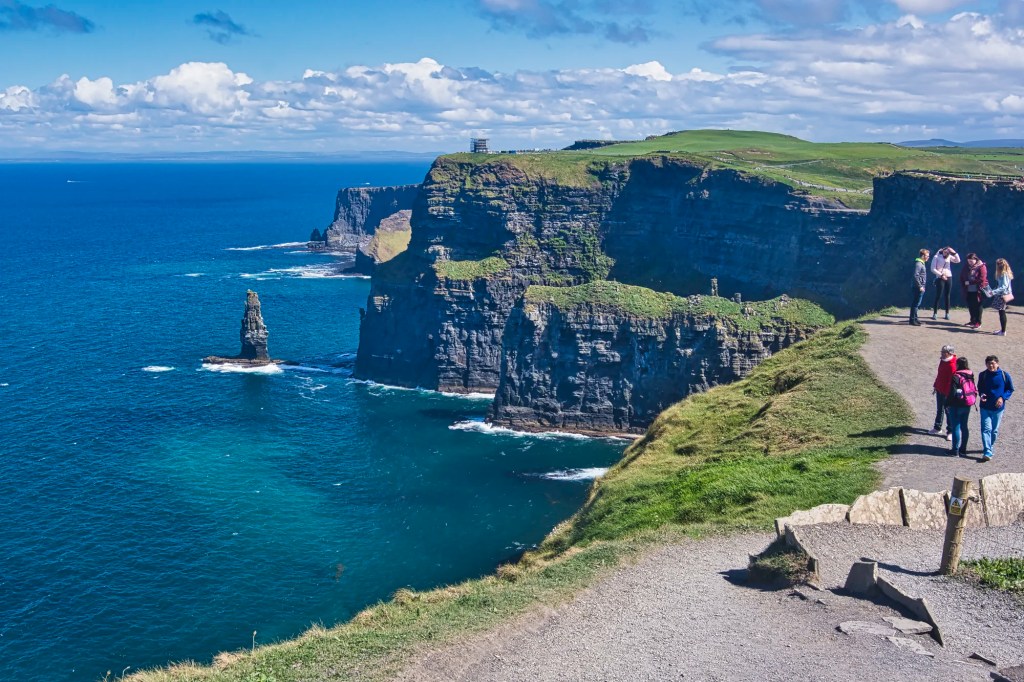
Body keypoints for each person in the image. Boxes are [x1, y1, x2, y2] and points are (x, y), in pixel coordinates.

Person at [978, 355, 1014, 461]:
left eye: (993, 363)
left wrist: (1002, 398)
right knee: (986, 429)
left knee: (994, 431)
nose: (991, 365)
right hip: (985, 407)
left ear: (997, 363)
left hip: (998, 408)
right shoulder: (983, 375)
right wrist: (982, 395)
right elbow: (980, 388)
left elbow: (1010, 389)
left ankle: (990, 445)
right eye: (988, 363)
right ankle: (987, 451)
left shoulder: (1004, 375)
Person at [946, 357, 975, 457]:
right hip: (967, 404)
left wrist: (947, 403)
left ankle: (955, 450)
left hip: (956, 405)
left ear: (958, 365)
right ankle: (963, 449)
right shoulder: (970, 374)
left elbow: (952, 392)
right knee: (964, 427)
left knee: (956, 427)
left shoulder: (956, 376)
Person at [931, 344, 957, 439]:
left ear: (949, 353)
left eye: (943, 352)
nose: (942, 354)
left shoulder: (953, 365)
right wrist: (936, 385)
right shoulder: (942, 360)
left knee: (948, 411)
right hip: (940, 389)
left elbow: (952, 382)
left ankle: (950, 431)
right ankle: (937, 427)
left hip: (947, 392)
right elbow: (939, 374)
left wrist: (948, 393)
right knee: (939, 409)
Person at [986, 258, 1014, 336]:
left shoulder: (1004, 274)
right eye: (998, 264)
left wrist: (993, 292)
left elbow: (1004, 286)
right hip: (1001, 294)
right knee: (1001, 312)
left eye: (1000, 264)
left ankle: (1003, 331)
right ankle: (1002, 330)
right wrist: (993, 291)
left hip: (1002, 295)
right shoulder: (1004, 273)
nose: (999, 265)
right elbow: (999, 286)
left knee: (1002, 312)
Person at [930, 246, 960, 320]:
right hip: (940, 277)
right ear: (942, 251)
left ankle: (947, 313)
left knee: (947, 295)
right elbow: (932, 269)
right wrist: (941, 275)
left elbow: (958, 260)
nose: (946, 253)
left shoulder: (949, 256)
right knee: (938, 295)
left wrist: (954, 252)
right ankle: (935, 313)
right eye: (945, 252)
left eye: (948, 252)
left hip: (949, 276)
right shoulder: (936, 257)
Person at [959, 253, 988, 328]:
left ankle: (978, 322)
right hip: (968, 290)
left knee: (978, 306)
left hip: (978, 290)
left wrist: (970, 282)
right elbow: (962, 275)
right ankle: (972, 321)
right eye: (968, 261)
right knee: (971, 306)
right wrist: (963, 282)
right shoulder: (966, 266)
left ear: (975, 259)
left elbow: (982, 279)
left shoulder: (981, 266)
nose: (970, 262)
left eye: (971, 261)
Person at [910, 248, 929, 325]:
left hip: (920, 286)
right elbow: (916, 276)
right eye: (927, 256)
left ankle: (915, 319)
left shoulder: (921, 263)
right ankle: (912, 320)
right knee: (916, 303)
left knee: (917, 303)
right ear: (923, 255)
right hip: (918, 287)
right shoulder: (918, 264)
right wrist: (920, 286)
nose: (928, 257)